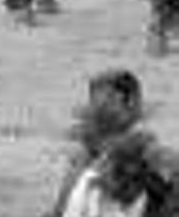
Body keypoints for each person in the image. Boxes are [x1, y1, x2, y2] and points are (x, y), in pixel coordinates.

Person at [44, 69, 179, 217]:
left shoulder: (148, 149)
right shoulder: (83, 154)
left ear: (129, 100)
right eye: (93, 101)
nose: (95, 109)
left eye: (105, 101)